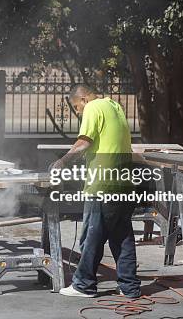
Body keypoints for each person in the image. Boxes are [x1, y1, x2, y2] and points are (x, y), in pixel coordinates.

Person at [52, 84, 141, 298]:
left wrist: (61, 162)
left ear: (83, 99)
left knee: (93, 236)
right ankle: (130, 287)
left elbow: (84, 142)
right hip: (124, 184)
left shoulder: (93, 108)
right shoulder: (114, 107)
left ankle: (84, 285)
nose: (77, 112)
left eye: (76, 107)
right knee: (123, 237)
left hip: (103, 184)